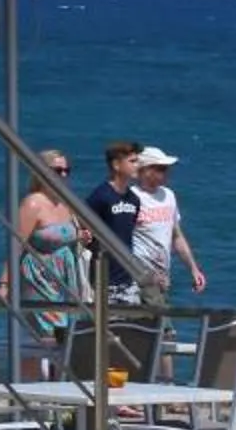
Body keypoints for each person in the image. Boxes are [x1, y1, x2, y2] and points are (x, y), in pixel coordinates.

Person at [14, 148, 86, 372]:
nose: (63, 175)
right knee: (44, 335)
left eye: (67, 170)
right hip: (38, 278)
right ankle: (32, 390)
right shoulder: (33, 204)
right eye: (57, 170)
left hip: (65, 280)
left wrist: (81, 236)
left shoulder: (66, 203)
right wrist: (5, 283)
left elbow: (73, 235)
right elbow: (16, 244)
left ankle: (55, 393)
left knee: (63, 335)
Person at [130, 146, 207, 301]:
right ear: (146, 170)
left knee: (156, 321)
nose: (167, 173)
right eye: (162, 169)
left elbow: (176, 236)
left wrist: (193, 269)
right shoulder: (131, 197)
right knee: (159, 321)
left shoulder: (168, 195)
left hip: (163, 277)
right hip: (139, 276)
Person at [80, 138, 148, 303]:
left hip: (128, 278)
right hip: (102, 277)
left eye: (137, 161)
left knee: (130, 325)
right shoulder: (100, 196)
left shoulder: (134, 199)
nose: (137, 165)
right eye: (132, 161)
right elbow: (83, 227)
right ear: (116, 165)